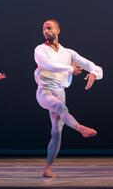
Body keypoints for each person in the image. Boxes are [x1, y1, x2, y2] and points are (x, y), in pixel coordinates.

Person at [34, 19, 103, 178]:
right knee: (61, 108)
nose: (46, 31)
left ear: (58, 31)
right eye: (43, 29)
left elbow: (91, 65)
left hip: (60, 91)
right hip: (44, 92)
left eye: (49, 28)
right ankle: (80, 128)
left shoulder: (68, 53)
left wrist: (93, 73)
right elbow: (49, 65)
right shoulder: (40, 50)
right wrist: (70, 68)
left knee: (56, 132)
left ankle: (47, 168)